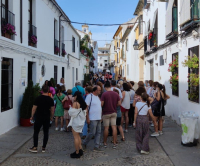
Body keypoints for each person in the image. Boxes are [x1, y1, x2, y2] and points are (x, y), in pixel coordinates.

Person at [29, 85, 54, 153]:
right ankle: (43, 147)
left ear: (42, 90)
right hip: (46, 117)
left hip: (39, 117)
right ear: (48, 90)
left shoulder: (38, 98)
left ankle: (35, 147)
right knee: (46, 132)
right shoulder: (50, 99)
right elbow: (52, 110)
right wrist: (51, 117)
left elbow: (34, 108)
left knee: (36, 131)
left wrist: (32, 116)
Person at [101, 81, 121, 149]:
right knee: (114, 127)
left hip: (106, 112)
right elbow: (119, 103)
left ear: (105, 87)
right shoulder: (116, 94)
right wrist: (114, 105)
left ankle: (105, 142)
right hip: (114, 112)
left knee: (106, 128)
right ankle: (114, 142)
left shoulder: (104, 94)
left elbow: (102, 104)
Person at [82, 86, 102, 152]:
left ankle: (96, 146)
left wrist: (101, 116)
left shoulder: (98, 97)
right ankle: (84, 143)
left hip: (98, 117)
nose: (100, 91)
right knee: (92, 132)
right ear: (95, 90)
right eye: (99, 90)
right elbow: (86, 108)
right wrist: (87, 118)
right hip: (92, 117)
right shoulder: (89, 96)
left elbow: (99, 107)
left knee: (98, 132)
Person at [68, 91, 87, 158]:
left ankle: (77, 152)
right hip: (81, 122)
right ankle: (80, 149)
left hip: (76, 122)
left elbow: (72, 113)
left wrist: (70, 108)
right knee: (78, 136)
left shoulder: (75, 103)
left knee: (75, 137)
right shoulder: (83, 104)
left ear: (76, 96)